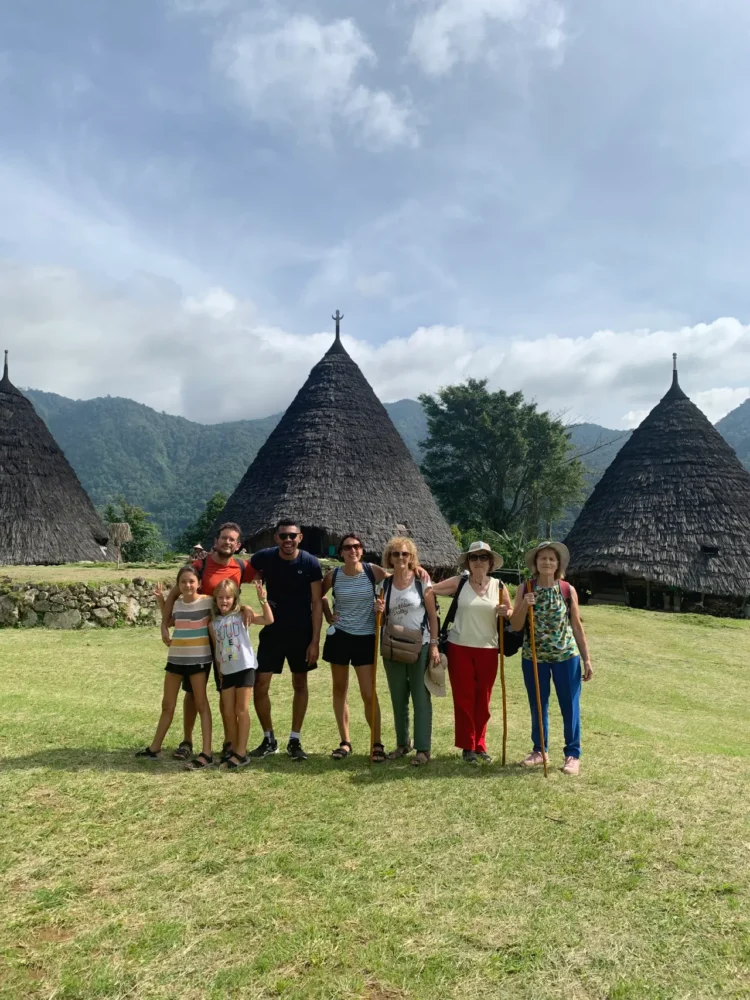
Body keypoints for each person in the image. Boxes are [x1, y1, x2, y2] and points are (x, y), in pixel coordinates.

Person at [160, 523, 256, 762]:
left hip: (227, 642)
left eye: (232, 540)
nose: (228, 543)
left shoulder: (242, 566)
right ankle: (187, 740)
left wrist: (246, 606)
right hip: (199, 640)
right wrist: (164, 624)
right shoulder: (200, 566)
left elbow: (258, 582)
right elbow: (174, 594)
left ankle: (229, 743)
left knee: (227, 694)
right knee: (192, 693)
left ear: (238, 545)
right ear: (216, 540)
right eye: (224, 538)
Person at [509, 541, 593, 776]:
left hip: (566, 657)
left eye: (551, 559)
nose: (547, 562)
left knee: (570, 706)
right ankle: (539, 750)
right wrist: (525, 604)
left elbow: (576, 626)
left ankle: (572, 754)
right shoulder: (524, 588)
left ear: (558, 564)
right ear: (535, 563)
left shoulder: (567, 590)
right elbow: (515, 625)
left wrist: (586, 659)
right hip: (534, 658)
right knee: (538, 705)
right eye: (542, 558)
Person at [431, 540, 513, 764]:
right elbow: (431, 590)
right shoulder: (461, 582)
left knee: (483, 700)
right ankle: (468, 746)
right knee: (464, 698)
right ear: (468, 562)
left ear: (491, 562)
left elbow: (512, 614)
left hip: (488, 649)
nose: (478, 562)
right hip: (459, 648)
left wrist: (507, 611)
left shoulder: (499, 586)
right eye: (474, 557)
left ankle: (481, 744)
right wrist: (432, 621)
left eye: (483, 557)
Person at [249, 519, 323, 761]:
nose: (288, 540)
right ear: (275, 538)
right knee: (260, 685)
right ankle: (269, 738)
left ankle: (295, 738)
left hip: (301, 632)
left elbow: (317, 602)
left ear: (300, 537)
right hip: (272, 631)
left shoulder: (310, 563)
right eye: (283, 536)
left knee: (300, 684)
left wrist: (315, 641)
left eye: (292, 536)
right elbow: (245, 568)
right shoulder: (265, 557)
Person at [136, 565, 214, 769]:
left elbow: (227, 608)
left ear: (199, 583)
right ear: (178, 586)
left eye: (191, 581)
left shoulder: (208, 602)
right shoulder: (178, 604)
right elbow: (169, 621)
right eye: (183, 582)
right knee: (167, 705)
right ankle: (155, 748)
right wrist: (162, 600)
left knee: (201, 704)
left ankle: (206, 751)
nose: (187, 585)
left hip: (199, 660)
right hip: (175, 659)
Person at [321, 534, 389, 762]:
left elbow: (396, 582)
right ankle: (345, 741)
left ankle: (376, 742)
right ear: (340, 552)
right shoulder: (334, 575)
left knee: (368, 693)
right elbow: (319, 595)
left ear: (362, 550)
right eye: (348, 547)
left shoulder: (373, 571)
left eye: (357, 547)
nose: (353, 550)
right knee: (340, 690)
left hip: (366, 637)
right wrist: (328, 615)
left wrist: (383, 605)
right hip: (339, 636)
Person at [374, 537, 440, 767]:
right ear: (389, 558)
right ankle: (403, 743)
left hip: (419, 646)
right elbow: (379, 620)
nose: (400, 558)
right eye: (395, 554)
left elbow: (433, 616)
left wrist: (433, 644)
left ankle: (423, 749)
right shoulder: (385, 585)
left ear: (411, 557)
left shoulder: (422, 582)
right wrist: (377, 611)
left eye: (404, 554)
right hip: (392, 646)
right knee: (398, 696)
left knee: (421, 697)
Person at [209, 578, 274, 769]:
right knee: (228, 712)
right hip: (226, 672)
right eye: (220, 598)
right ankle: (233, 748)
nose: (224, 601)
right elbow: (216, 650)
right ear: (215, 600)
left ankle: (241, 752)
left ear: (235, 599)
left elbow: (268, 620)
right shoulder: (213, 624)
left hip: (244, 668)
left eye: (228, 597)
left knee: (241, 710)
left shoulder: (242, 615)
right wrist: (220, 672)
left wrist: (262, 600)